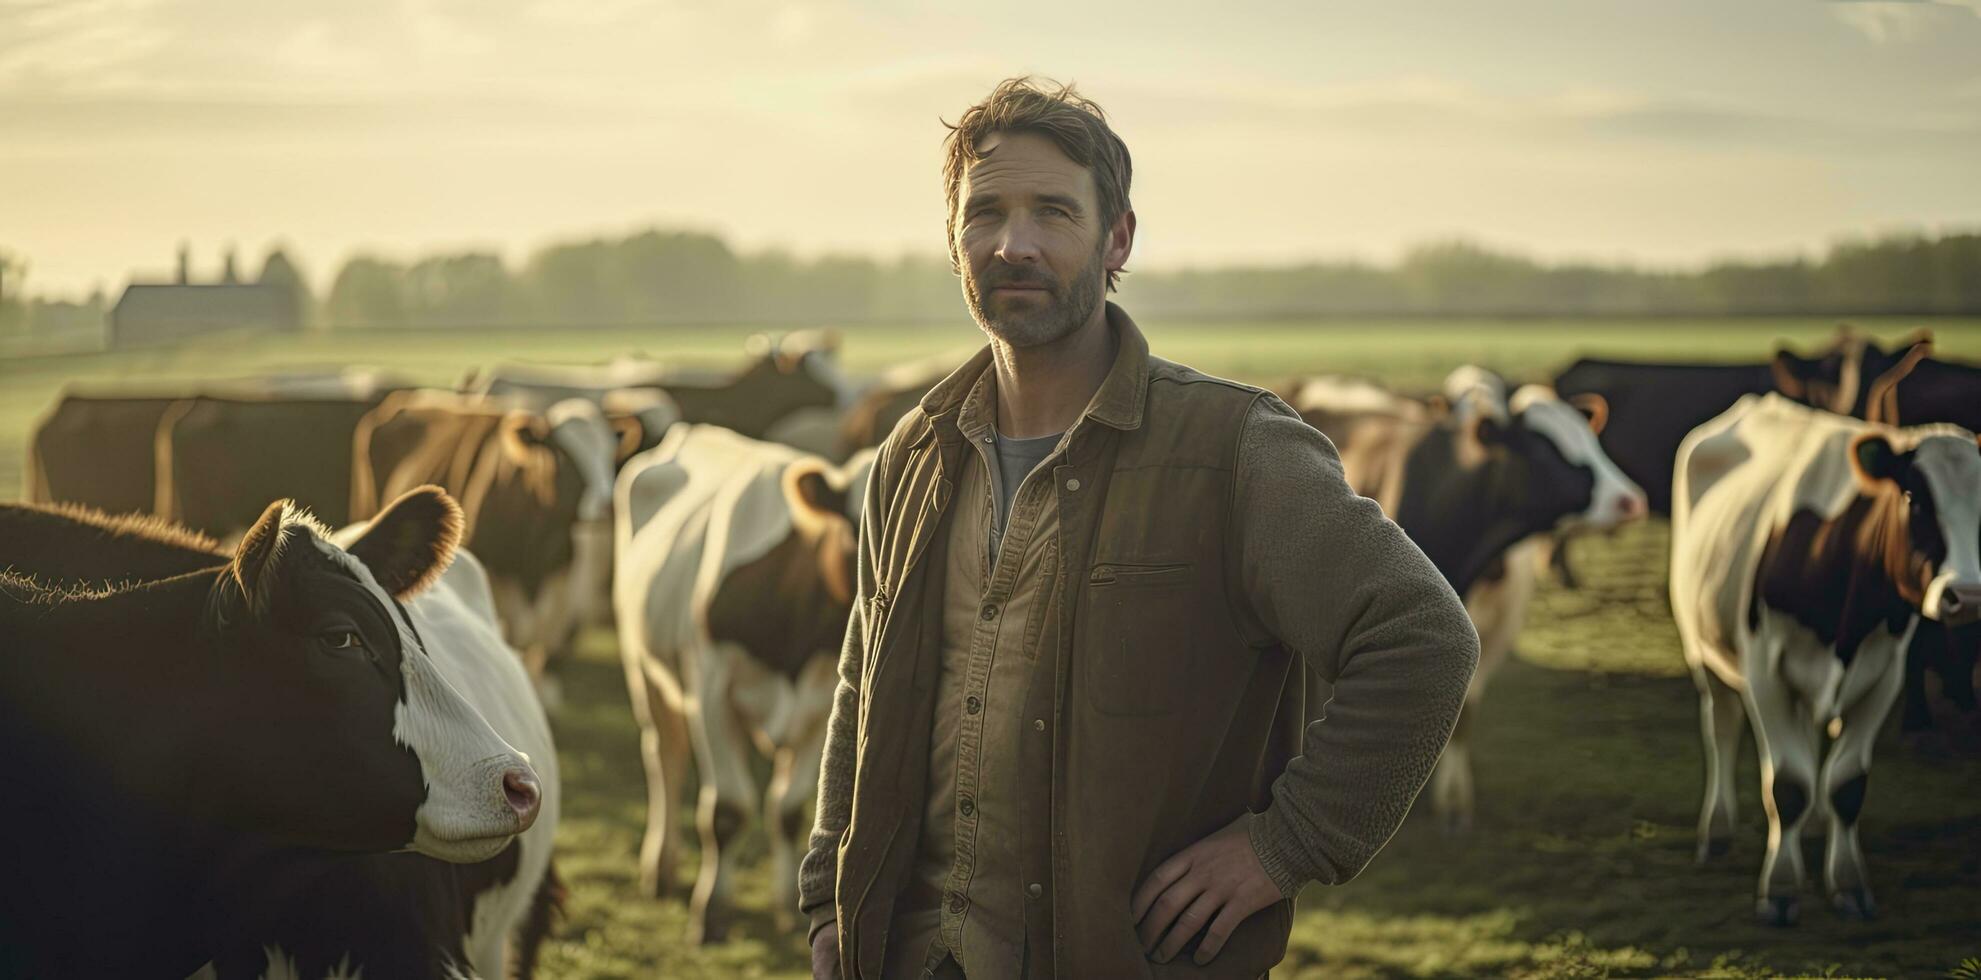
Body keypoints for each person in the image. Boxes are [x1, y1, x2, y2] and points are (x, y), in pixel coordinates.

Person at [799, 76, 1479, 980]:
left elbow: (1422, 638)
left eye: (1053, 212)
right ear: (952, 239)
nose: (1014, 244)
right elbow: (862, 688)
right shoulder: (910, 456)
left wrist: (1284, 845)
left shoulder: (1234, 449)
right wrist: (827, 902)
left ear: (1117, 238)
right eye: (985, 213)